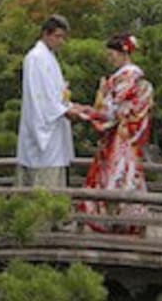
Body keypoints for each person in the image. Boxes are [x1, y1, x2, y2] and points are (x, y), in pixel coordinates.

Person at [77, 33, 153, 232]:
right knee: (123, 176)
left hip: (120, 136)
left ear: (124, 53)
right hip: (123, 135)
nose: (110, 59)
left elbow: (111, 111)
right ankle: (123, 222)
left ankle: (118, 224)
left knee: (116, 175)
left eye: (112, 55)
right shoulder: (127, 76)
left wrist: (99, 97)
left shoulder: (128, 76)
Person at [16, 14, 82, 188]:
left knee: (54, 178)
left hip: (55, 128)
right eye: (58, 36)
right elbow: (40, 97)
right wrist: (65, 111)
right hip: (44, 130)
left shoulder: (49, 57)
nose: (61, 41)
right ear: (46, 34)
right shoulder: (36, 57)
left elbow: (54, 94)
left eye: (63, 37)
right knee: (43, 185)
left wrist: (70, 106)